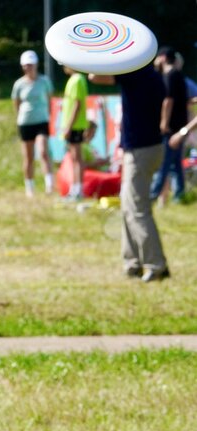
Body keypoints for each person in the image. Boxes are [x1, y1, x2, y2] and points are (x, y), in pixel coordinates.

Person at [89, 65, 170, 282]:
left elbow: (95, 75)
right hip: (151, 147)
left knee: (138, 210)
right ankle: (132, 262)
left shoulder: (134, 73)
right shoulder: (154, 75)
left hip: (139, 150)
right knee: (128, 205)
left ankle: (156, 265)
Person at [11, 50, 54, 197]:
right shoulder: (19, 84)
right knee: (28, 157)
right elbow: (16, 103)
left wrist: (48, 115)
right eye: (26, 65)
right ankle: (29, 187)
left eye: (31, 65)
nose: (28, 68)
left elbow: (50, 100)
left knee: (43, 151)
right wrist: (20, 118)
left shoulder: (44, 81)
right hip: (25, 122)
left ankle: (49, 185)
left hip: (41, 121)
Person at [150, 49, 188, 203]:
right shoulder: (179, 75)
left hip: (171, 127)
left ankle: (152, 195)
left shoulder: (170, 75)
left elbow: (168, 100)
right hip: (180, 124)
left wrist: (163, 122)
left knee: (163, 163)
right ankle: (180, 195)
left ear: (163, 58)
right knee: (176, 164)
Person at [60, 65, 88, 200]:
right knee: (74, 158)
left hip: (76, 126)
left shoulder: (77, 79)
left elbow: (77, 104)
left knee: (77, 158)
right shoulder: (74, 79)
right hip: (73, 125)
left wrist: (69, 127)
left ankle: (78, 190)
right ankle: (75, 189)